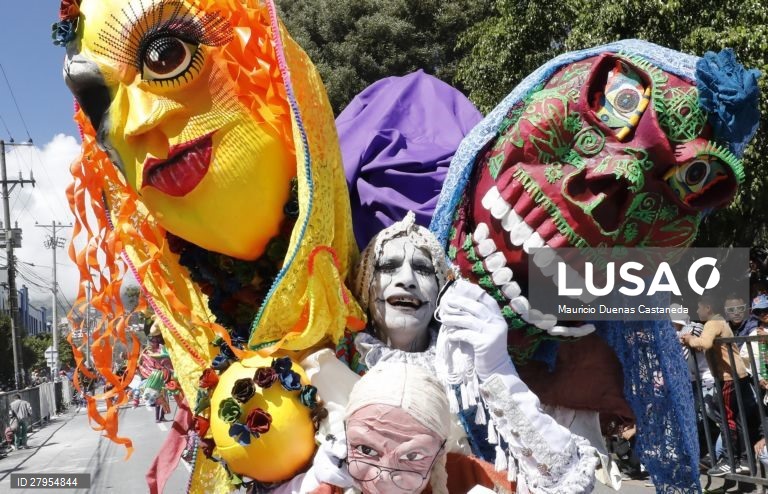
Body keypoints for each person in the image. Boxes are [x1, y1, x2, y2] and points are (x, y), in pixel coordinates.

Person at [681, 294, 760, 476]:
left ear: (707, 307)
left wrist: (689, 340)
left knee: (727, 420)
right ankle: (743, 460)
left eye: (700, 308)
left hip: (728, 378)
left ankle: (729, 460)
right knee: (737, 420)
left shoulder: (713, 323)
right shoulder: (719, 322)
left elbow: (705, 343)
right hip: (735, 377)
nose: (698, 311)